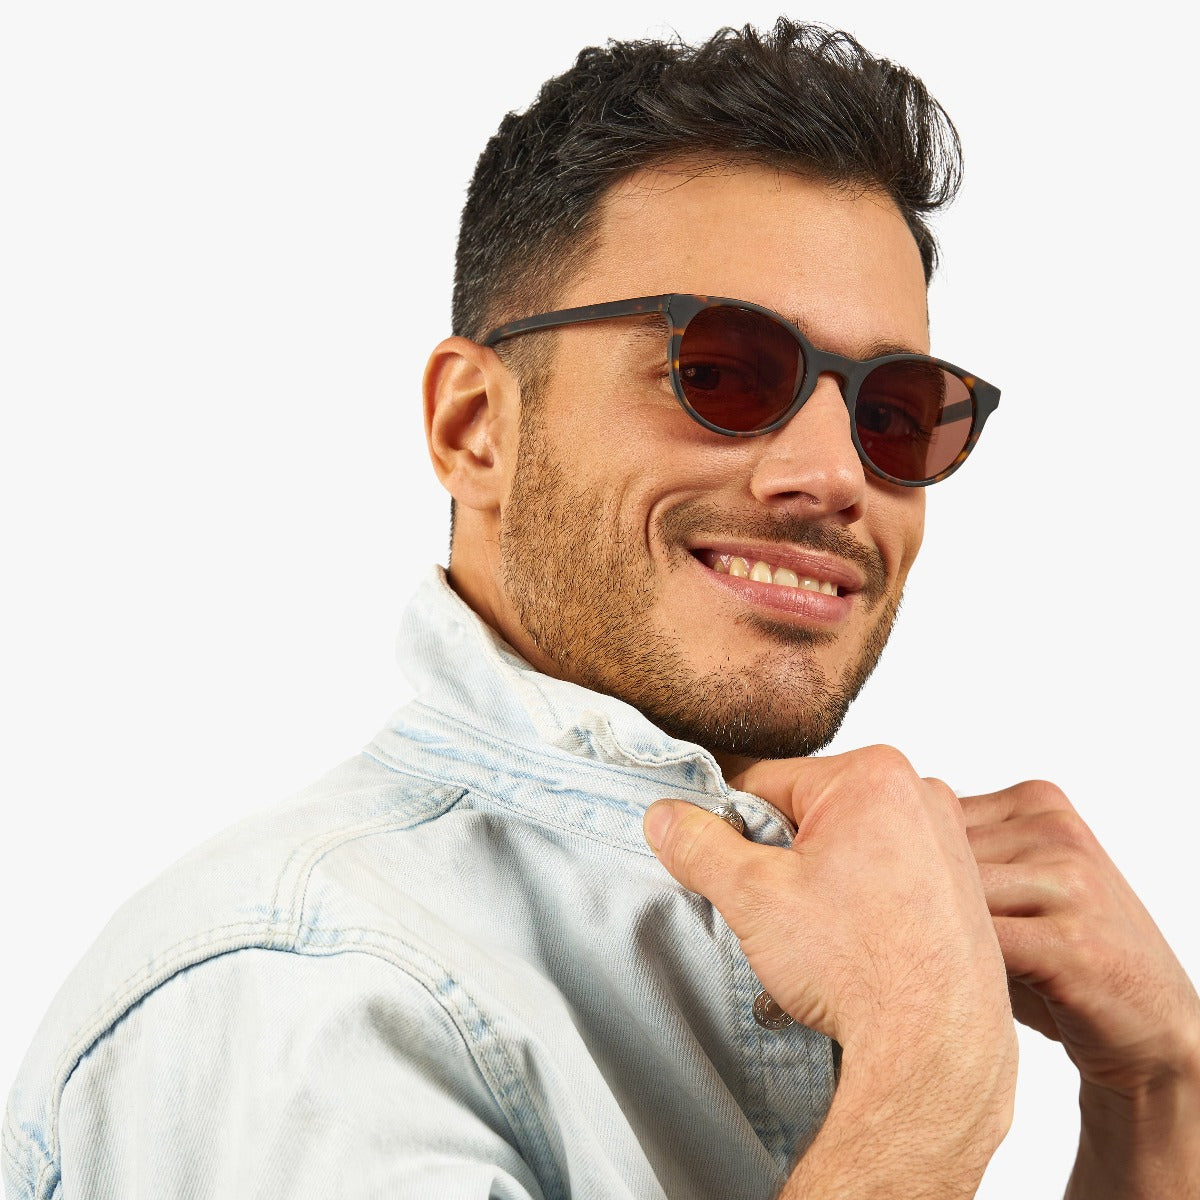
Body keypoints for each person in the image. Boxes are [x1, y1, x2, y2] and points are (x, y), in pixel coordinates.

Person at [4, 17, 1197, 1199]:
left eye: (893, 413)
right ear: (476, 427)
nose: (836, 475)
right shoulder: (309, 998)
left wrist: (1158, 1102)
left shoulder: (844, 933)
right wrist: (920, 1099)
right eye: (721, 372)